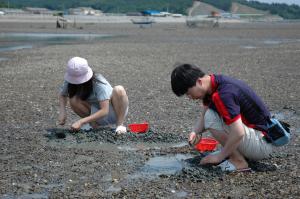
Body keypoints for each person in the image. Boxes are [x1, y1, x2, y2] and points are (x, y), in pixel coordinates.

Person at [171, 63, 273, 172]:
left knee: (210, 117)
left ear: (199, 82)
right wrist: (195, 132)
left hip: (261, 144)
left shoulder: (223, 94)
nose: (190, 97)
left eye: (188, 93)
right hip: (257, 137)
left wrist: (219, 157)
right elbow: (203, 115)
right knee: (209, 115)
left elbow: (239, 132)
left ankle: (238, 160)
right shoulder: (213, 84)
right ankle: (237, 154)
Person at [58, 57, 129, 134]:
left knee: (119, 89)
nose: (76, 82)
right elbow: (63, 94)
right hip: (96, 113)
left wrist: (81, 122)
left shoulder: (98, 82)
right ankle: (95, 126)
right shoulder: (70, 80)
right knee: (73, 99)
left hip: (115, 111)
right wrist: (62, 112)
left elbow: (105, 111)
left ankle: (120, 125)